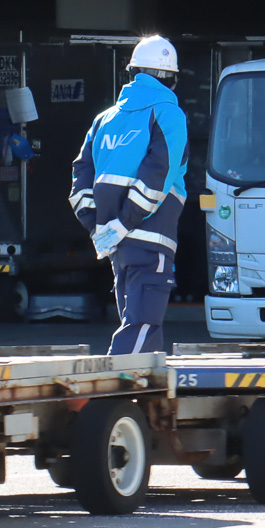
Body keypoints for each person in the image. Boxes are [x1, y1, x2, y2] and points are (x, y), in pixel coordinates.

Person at [71, 36, 188, 355]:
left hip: (114, 242)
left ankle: (141, 391)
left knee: (132, 316)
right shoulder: (168, 114)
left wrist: (97, 226)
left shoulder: (104, 119)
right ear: (171, 78)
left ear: (133, 72)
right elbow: (158, 175)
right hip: (149, 236)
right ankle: (114, 386)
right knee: (143, 323)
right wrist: (126, 222)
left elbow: (81, 177)